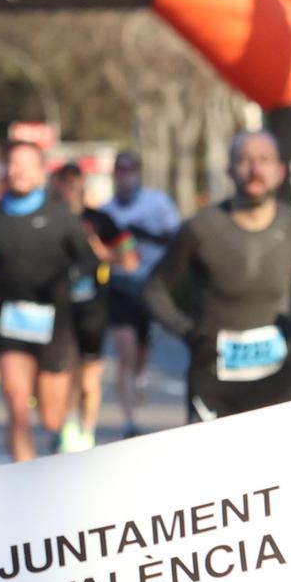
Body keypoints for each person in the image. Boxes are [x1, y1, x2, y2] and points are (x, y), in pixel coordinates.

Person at [143, 131, 291, 422]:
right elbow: (154, 290)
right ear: (229, 171)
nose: (255, 170)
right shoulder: (202, 228)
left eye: (264, 160)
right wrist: (188, 333)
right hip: (213, 384)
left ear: (280, 171)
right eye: (245, 161)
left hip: (279, 384)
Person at [0, 139, 94, 461]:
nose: (18, 171)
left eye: (26, 165)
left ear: (40, 173)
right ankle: (25, 480)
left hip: (55, 324)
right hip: (10, 324)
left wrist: (76, 283)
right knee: (17, 404)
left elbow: (87, 260)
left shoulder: (60, 217)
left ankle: (61, 431)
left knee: (51, 417)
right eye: (13, 164)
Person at [97, 152, 180, 437]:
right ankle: (130, 421)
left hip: (151, 284)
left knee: (142, 354)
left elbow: (177, 238)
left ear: (138, 173)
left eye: (130, 169)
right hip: (120, 285)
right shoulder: (106, 211)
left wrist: (143, 234)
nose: (125, 175)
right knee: (125, 352)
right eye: (120, 170)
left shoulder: (157, 203)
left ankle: (140, 376)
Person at [51, 163, 116, 453]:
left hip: (93, 307)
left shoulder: (100, 220)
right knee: (64, 371)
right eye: (64, 182)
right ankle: (66, 428)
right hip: (59, 309)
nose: (70, 188)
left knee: (89, 379)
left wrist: (101, 251)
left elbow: (130, 257)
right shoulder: (50, 218)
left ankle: (88, 431)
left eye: (74, 182)